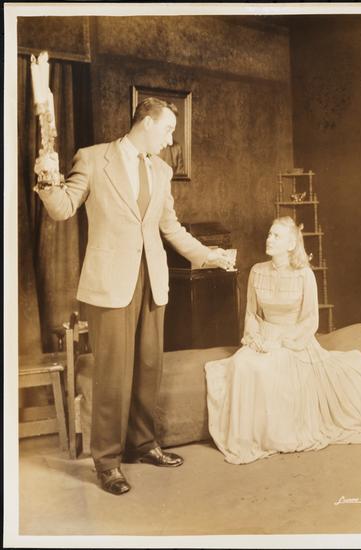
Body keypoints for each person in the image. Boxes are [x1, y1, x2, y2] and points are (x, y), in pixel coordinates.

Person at [36, 97, 232, 495]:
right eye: (168, 129)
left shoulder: (161, 170)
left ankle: (142, 444)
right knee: (113, 373)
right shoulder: (93, 159)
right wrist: (47, 179)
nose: (171, 139)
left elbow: (170, 227)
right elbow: (63, 208)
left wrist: (209, 255)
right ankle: (107, 462)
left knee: (147, 367)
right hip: (110, 283)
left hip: (152, 279)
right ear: (146, 123)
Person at [205, 217, 361, 465]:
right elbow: (252, 313)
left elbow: (310, 321)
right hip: (263, 336)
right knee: (241, 364)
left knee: (263, 368)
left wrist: (281, 343)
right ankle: (247, 439)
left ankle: (272, 438)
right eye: (269, 234)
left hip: (294, 341)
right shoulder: (257, 271)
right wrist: (253, 338)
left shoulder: (304, 275)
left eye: (276, 236)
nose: (269, 239)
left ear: (291, 244)